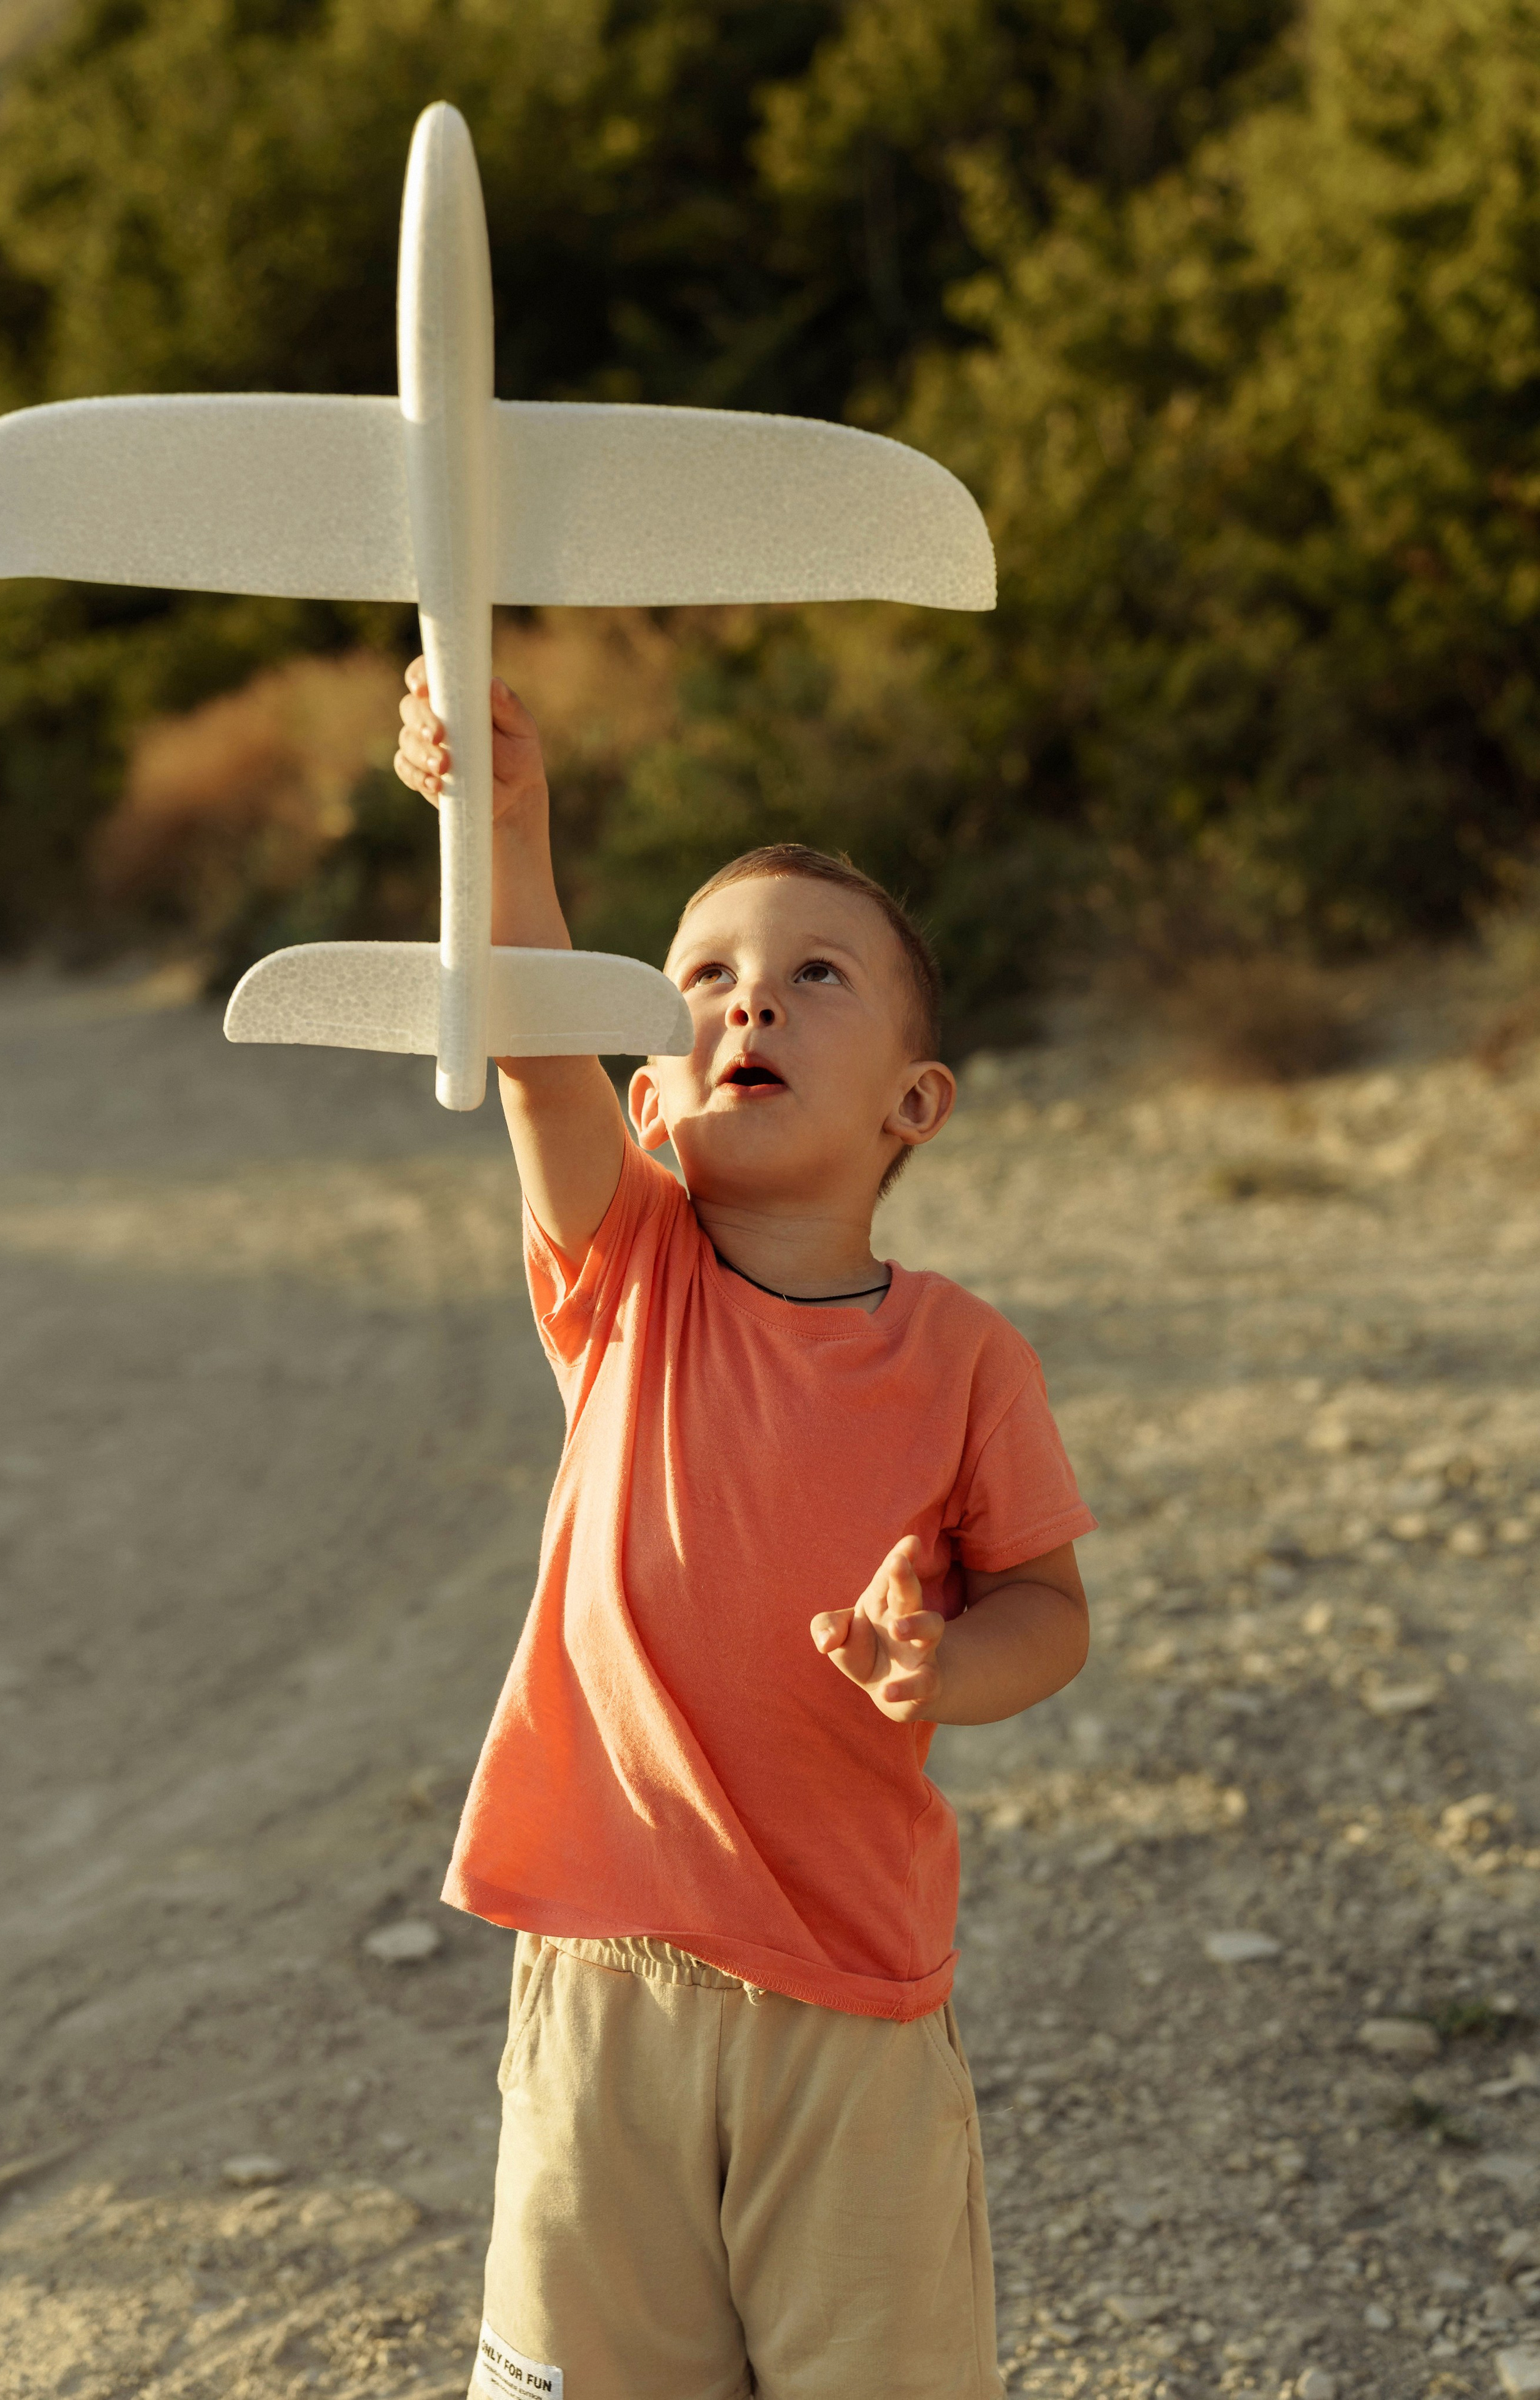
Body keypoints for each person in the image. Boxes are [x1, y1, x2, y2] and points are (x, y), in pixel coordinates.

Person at [393, 664, 1096, 2400]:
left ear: (911, 1107)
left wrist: (949, 1657)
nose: (745, 1007)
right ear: (650, 1104)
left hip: (852, 2002)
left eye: (812, 978)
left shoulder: (964, 1358)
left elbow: (1048, 1603)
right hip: (607, 1979)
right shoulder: (627, 1276)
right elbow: (538, 1047)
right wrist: (501, 820)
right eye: (698, 982)